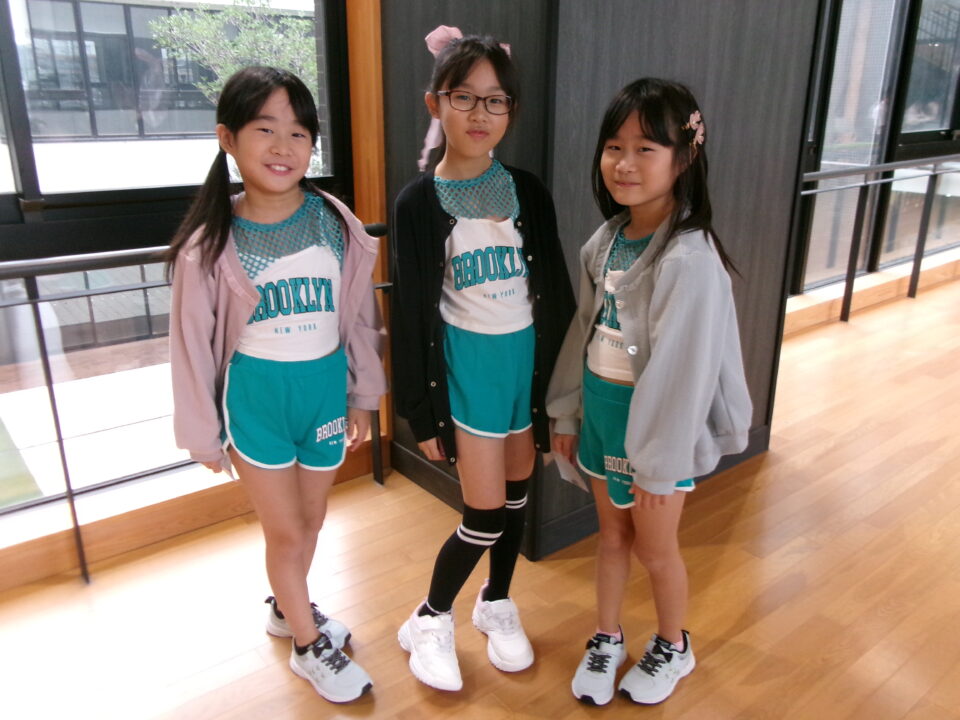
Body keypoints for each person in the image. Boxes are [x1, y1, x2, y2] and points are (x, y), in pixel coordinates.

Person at [166, 66, 386, 704]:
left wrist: (362, 393)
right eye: (265, 129)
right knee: (286, 532)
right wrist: (203, 434)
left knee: (311, 521)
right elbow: (188, 349)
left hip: (322, 395)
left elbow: (359, 317)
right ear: (228, 139)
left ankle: (287, 608)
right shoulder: (208, 244)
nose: (283, 146)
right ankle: (308, 646)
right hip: (256, 403)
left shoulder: (335, 222)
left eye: (298, 132)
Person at [546, 78, 752, 706]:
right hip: (605, 418)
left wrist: (659, 465)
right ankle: (607, 636)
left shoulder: (689, 258)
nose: (624, 163)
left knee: (657, 551)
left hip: (659, 435)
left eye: (645, 149)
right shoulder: (607, 239)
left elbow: (682, 377)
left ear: (683, 159)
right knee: (611, 538)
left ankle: (673, 644)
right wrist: (567, 412)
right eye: (614, 146)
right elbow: (584, 333)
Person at [390, 27, 575, 692]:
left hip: (524, 372)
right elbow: (410, 314)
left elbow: (556, 294)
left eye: (495, 101)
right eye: (463, 97)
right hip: (467, 375)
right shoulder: (417, 203)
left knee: (520, 493)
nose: (479, 114)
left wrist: (562, 397)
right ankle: (429, 617)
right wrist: (421, 414)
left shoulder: (528, 190)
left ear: (510, 111)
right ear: (435, 103)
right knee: (484, 513)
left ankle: (496, 602)